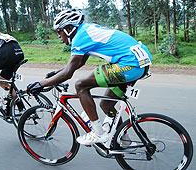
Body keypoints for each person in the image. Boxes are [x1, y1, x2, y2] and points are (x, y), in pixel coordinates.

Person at [27, 9, 152, 145]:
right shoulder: (86, 31)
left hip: (129, 65)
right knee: (107, 104)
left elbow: (68, 73)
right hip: (140, 65)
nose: (58, 36)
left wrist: (40, 84)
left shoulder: (80, 37)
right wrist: (56, 73)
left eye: (59, 31)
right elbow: (79, 62)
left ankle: (97, 132)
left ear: (68, 28)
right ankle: (125, 141)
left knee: (80, 85)